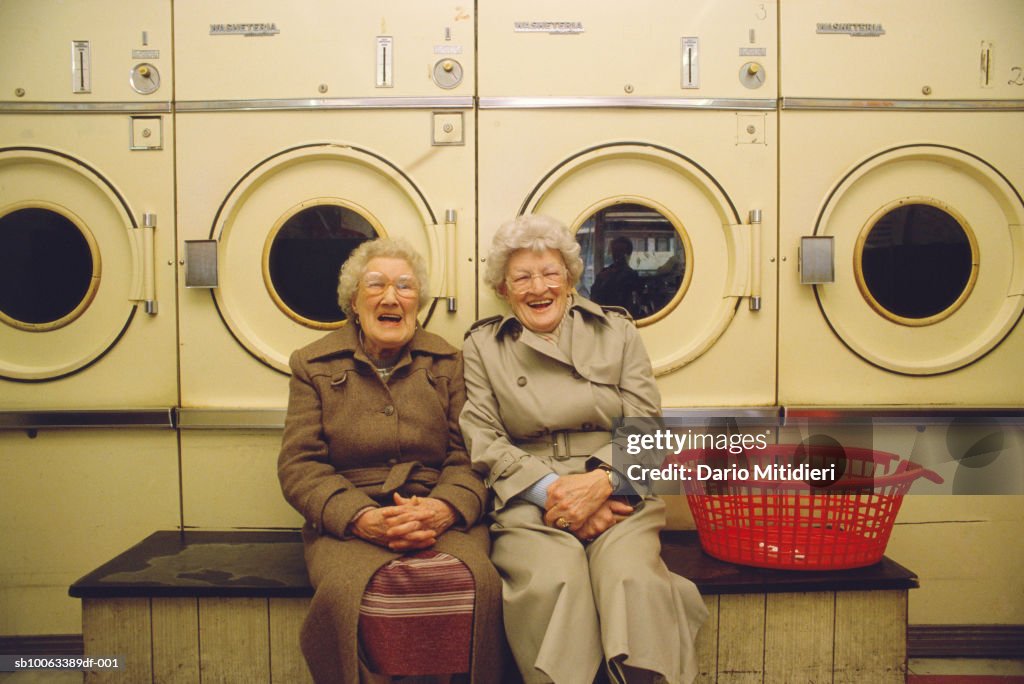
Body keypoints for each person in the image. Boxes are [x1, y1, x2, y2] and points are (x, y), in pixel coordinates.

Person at [460, 215, 707, 684]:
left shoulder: (616, 332)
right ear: (503, 290)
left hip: (618, 494)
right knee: (557, 579)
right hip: (532, 495)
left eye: (550, 272)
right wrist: (555, 492)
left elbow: (646, 428)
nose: (539, 287)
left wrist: (599, 485)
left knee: (630, 579)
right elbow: (484, 436)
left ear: (571, 279)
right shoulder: (483, 346)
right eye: (523, 277)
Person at [278, 237, 503, 683]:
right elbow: (299, 465)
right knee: (354, 591)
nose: (391, 296)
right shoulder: (313, 364)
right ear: (353, 302)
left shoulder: (450, 361)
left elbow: (471, 455)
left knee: (476, 581)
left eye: (404, 286)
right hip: (350, 517)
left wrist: (443, 509)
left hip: (449, 510)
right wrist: (360, 516)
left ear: (418, 302)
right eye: (376, 284)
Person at [589, 235, 642, 318]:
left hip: (607, 318)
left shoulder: (603, 274)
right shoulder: (631, 275)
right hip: (621, 317)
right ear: (628, 254)